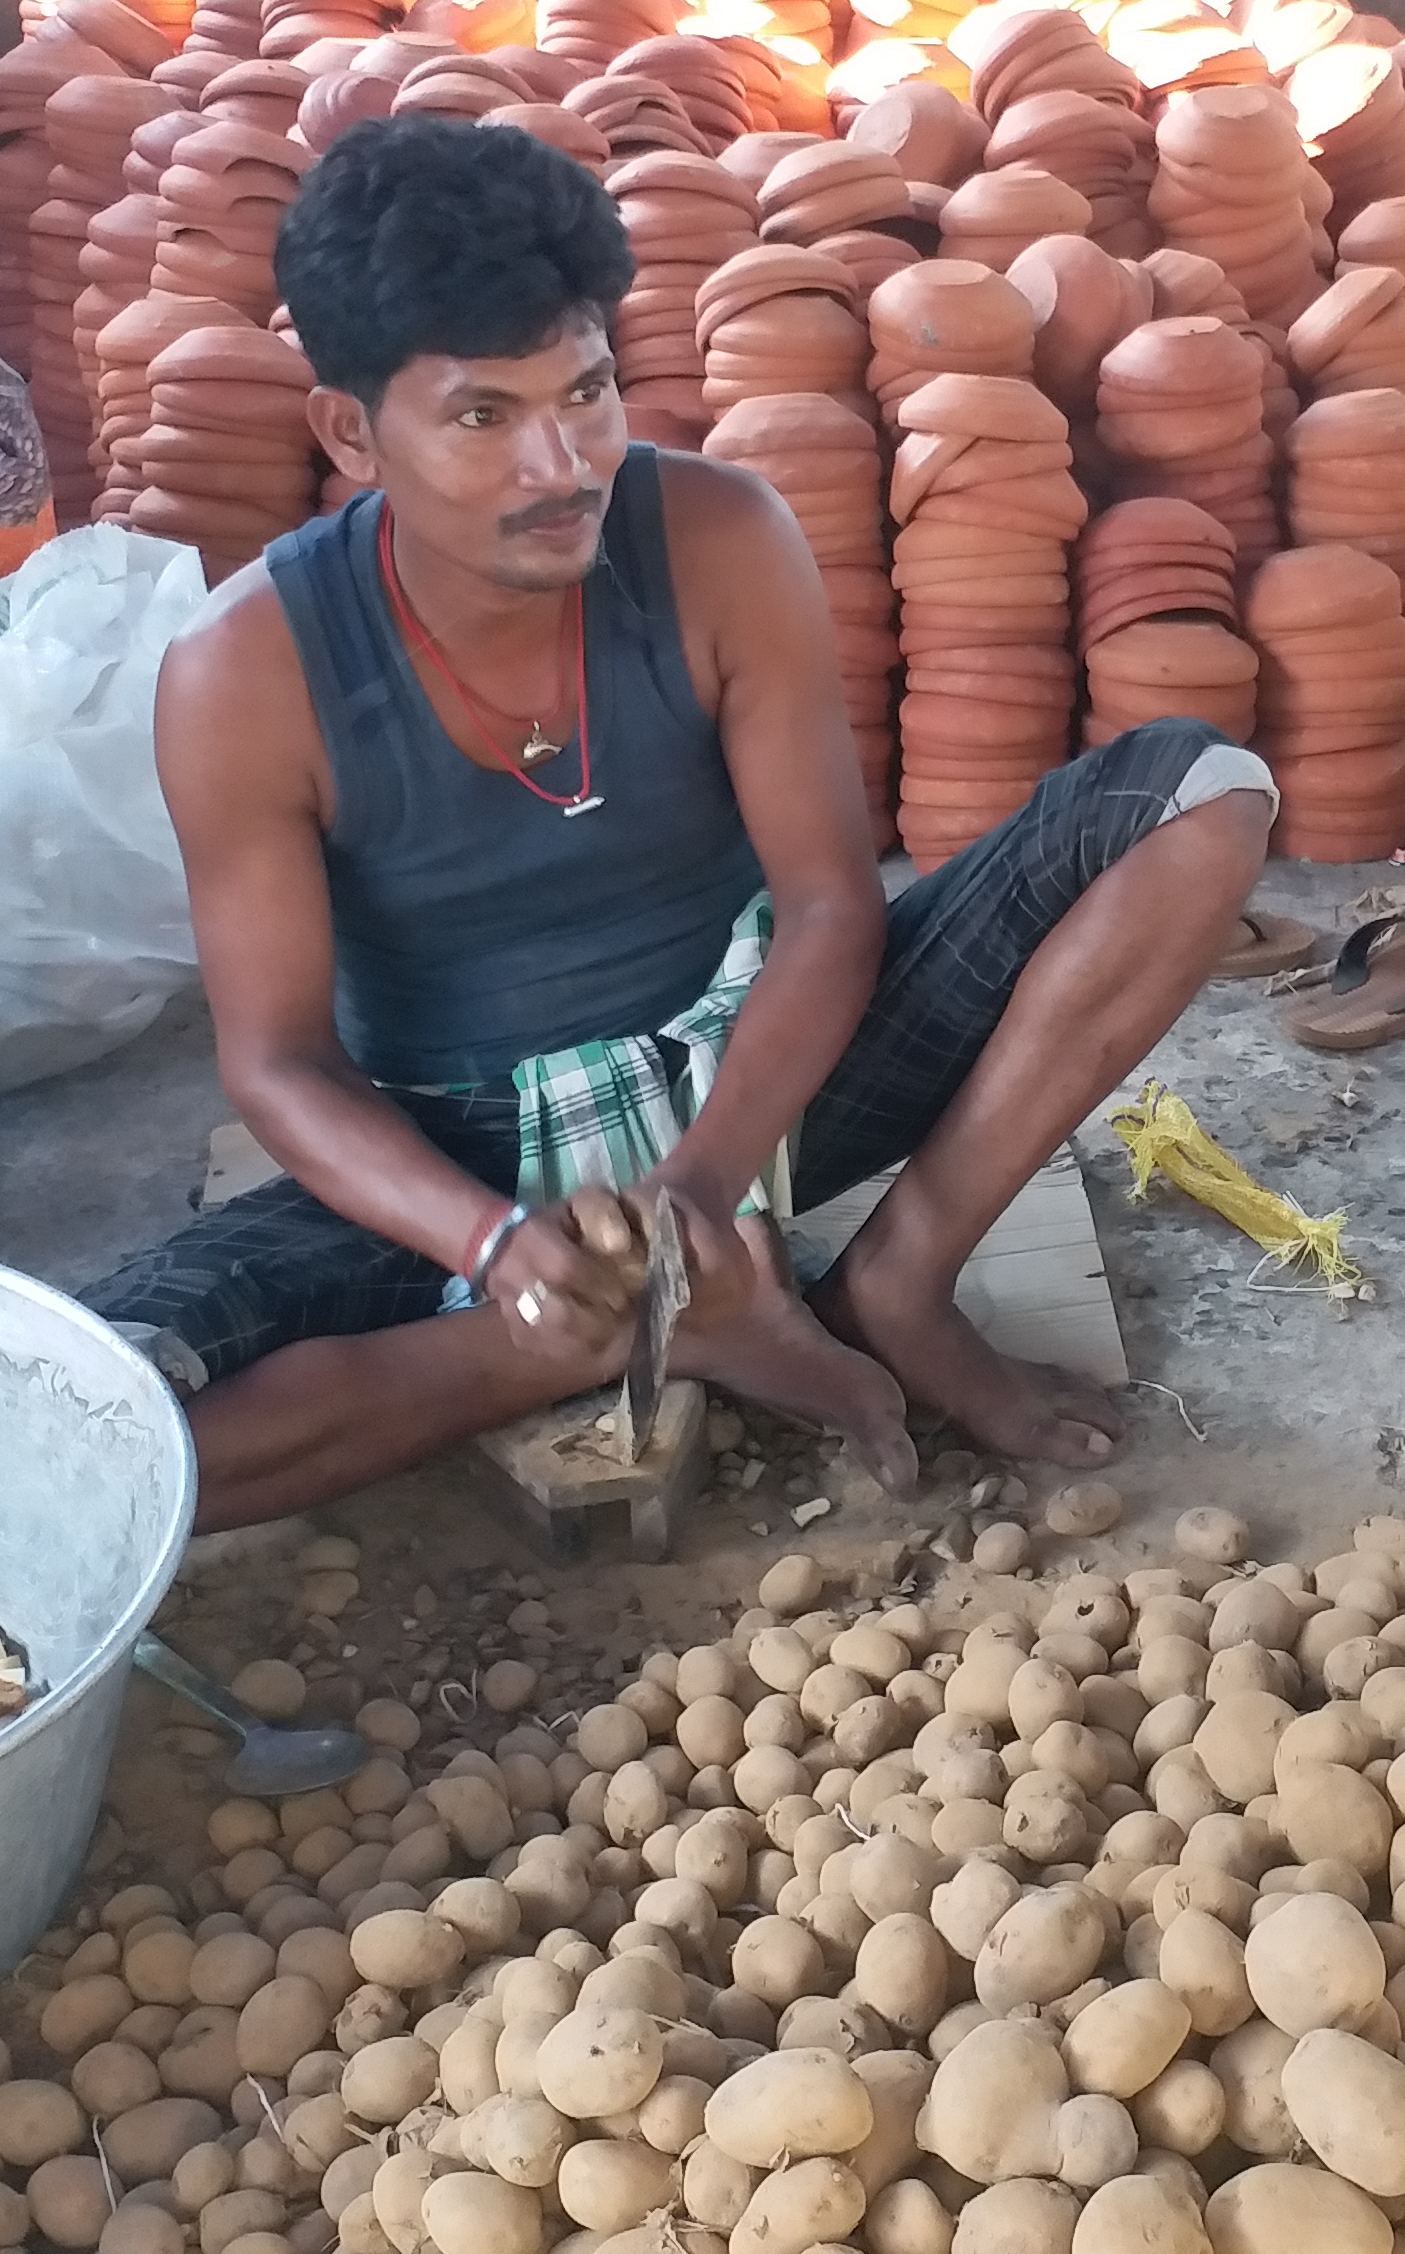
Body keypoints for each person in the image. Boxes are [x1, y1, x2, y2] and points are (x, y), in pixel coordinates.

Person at [78, 119, 1275, 1529]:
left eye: (584, 392)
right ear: (350, 431)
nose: (560, 463)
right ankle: (588, 1333)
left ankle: (893, 1279)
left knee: (1199, 797)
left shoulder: (719, 540)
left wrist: (698, 1193)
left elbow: (831, 908)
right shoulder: (244, 672)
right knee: (82, 1417)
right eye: (483, 416)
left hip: (755, 1082)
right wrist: (507, 1248)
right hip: (459, 1152)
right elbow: (277, 1064)